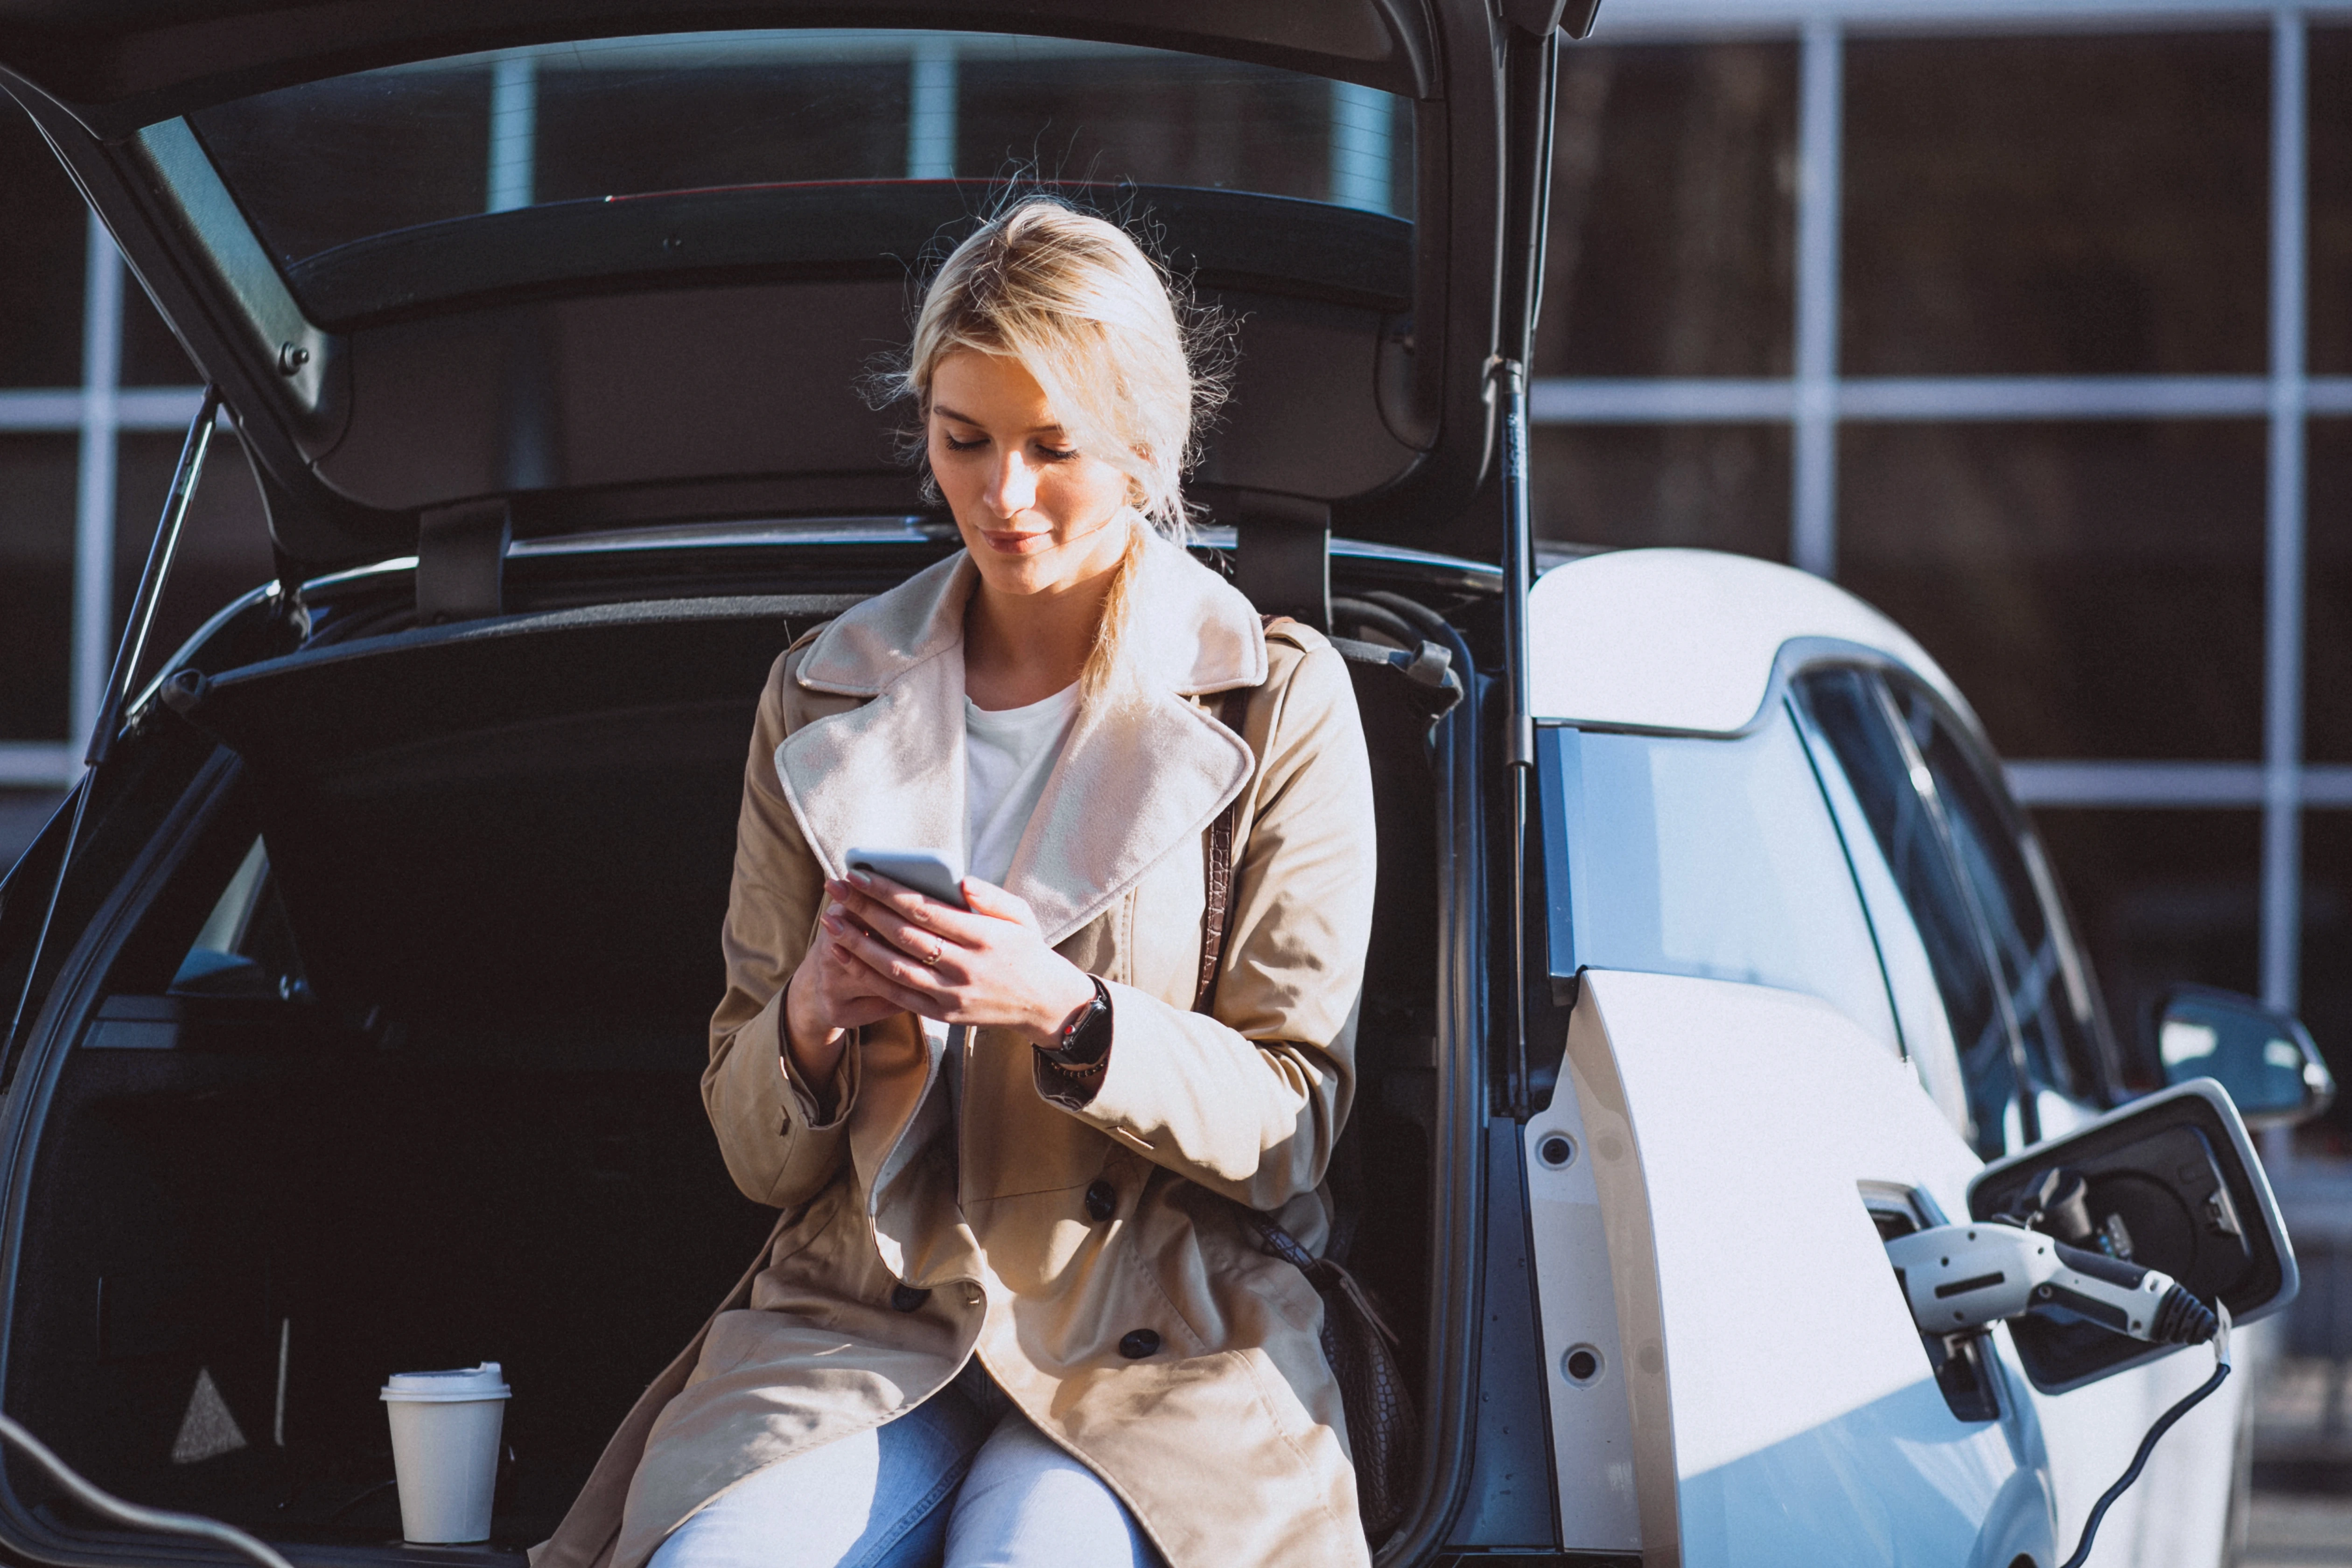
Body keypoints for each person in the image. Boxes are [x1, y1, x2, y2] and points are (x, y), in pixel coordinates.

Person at [530, 198, 1378, 1568]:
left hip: (1163, 1336)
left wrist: (1064, 1008)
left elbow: (1295, 1125)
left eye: (1055, 448)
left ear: (1151, 450)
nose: (1003, 496)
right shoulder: (817, 693)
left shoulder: (1275, 698)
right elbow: (753, 1152)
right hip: (858, 1321)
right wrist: (811, 1012)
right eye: (963, 439)